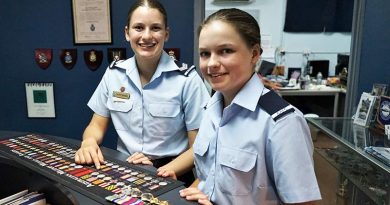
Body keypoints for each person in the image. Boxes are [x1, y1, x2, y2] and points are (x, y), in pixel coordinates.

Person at [179, 8, 322, 204]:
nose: (211, 63)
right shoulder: (211, 108)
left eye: (225, 51)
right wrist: (196, 190)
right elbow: (209, 177)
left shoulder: (282, 123)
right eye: (205, 53)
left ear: (254, 54)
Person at [74, 0, 210, 187]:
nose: (147, 36)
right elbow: (96, 125)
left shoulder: (188, 79)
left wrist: (160, 172)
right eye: (138, 27)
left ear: (166, 34)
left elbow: (199, 147)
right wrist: (89, 142)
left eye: (155, 28)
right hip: (125, 170)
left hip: (173, 173)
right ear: (127, 33)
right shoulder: (114, 74)